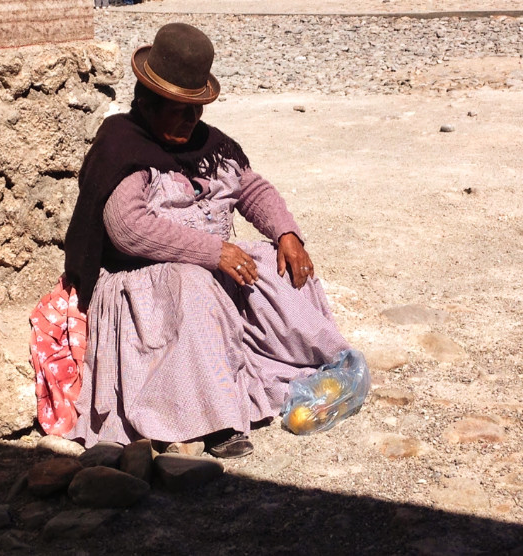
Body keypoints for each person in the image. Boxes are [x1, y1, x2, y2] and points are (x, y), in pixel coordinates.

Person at [60, 23, 351, 458]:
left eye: (196, 110)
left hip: (211, 264)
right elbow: (128, 227)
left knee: (279, 264)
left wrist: (287, 234)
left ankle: (323, 363)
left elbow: (252, 189)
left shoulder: (208, 144)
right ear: (146, 103)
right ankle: (215, 421)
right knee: (193, 286)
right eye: (179, 110)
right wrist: (213, 252)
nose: (191, 120)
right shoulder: (122, 145)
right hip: (147, 282)